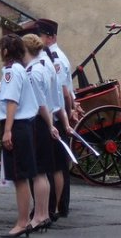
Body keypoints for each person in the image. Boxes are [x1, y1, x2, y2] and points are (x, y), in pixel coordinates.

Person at [0, 33, 38, 237]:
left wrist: (8, 130)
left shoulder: (12, 71)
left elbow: (12, 101)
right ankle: (24, 221)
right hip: (23, 126)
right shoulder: (20, 68)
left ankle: (22, 222)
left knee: (20, 177)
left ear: (5, 51)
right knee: (22, 176)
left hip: (17, 126)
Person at [35, 18, 75, 219]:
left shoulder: (54, 58)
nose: (37, 38)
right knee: (57, 164)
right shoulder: (55, 56)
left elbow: (63, 93)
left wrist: (66, 117)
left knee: (56, 165)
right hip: (59, 114)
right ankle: (57, 206)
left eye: (39, 34)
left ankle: (56, 207)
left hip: (56, 116)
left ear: (49, 37)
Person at [22, 34, 59, 232]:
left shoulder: (33, 72)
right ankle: (43, 214)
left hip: (36, 122)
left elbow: (40, 104)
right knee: (42, 174)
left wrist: (49, 124)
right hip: (43, 122)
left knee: (37, 173)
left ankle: (39, 215)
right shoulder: (43, 66)